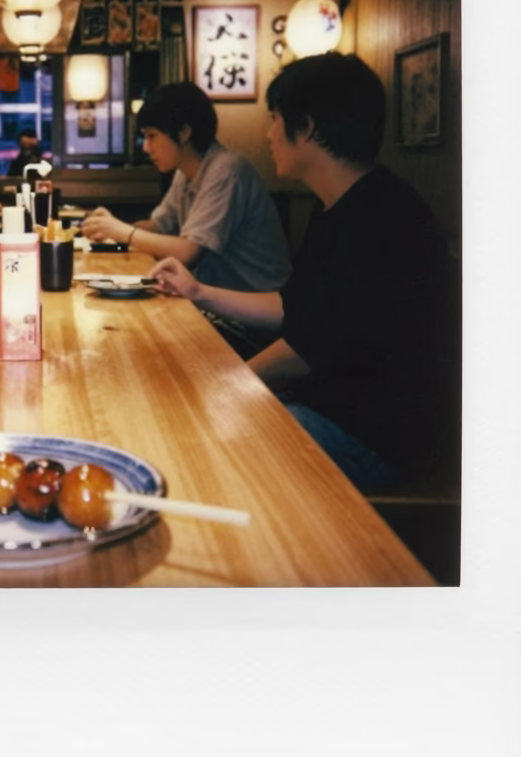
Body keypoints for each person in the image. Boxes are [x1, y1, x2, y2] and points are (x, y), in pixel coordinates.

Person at [150, 54, 457, 492]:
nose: (269, 133)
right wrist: (198, 291)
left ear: (307, 127)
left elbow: (303, 352)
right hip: (333, 403)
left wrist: (221, 387)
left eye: (275, 119)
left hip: (372, 438)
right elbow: (296, 307)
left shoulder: (381, 218)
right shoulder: (344, 201)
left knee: (196, 446)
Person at [82, 81, 290, 355]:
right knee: (124, 330)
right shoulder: (186, 172)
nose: (146, 147)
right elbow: (158, 225)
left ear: (183, 132)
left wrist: (122, 232)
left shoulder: (227, 170)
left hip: (254, 325)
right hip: (214, 307)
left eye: (152, 136)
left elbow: (189, 252)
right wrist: (109, 228)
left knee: (136, 343)